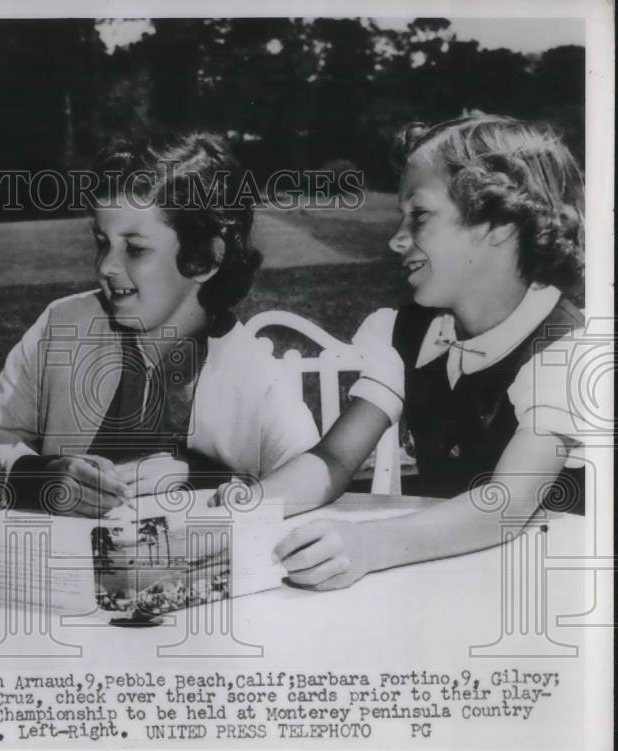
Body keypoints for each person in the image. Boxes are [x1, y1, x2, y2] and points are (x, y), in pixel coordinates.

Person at [250, 114, 589, 590]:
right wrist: (240, 511)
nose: (397, 238)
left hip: (539, 590)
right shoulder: (407, 333)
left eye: (420, 215)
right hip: (439, 578)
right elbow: (334, 461)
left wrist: (369, 545)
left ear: (498, 224)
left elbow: (505, 505)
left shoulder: (567, 352)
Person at [0, 133, 319, 517]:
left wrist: (204, 482)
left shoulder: (254, 374)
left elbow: (310, 479)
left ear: (204, 258)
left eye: (134, 248)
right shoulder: (65, 326)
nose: (105, 266)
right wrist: (39, 478)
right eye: (102, 242)